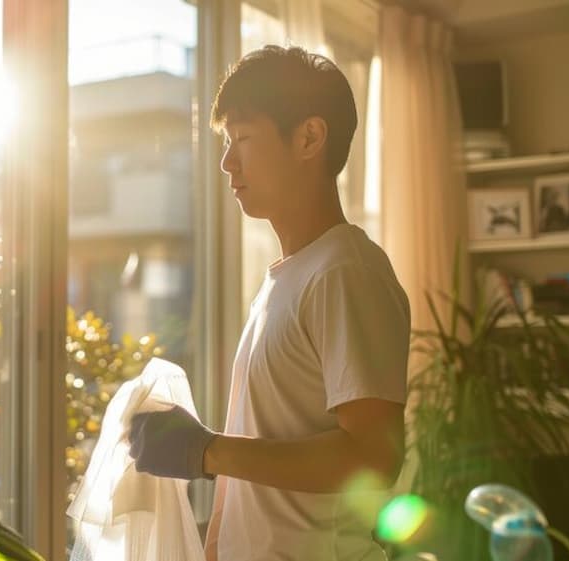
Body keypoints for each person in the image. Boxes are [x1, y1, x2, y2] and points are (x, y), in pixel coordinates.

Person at [127, 45, 411, 561]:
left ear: (309, 138)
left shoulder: (346, 271)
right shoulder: (286, 278)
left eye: (243, 139)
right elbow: (248, 479)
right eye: (227, 141)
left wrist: (203, 451)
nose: (226, 160)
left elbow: (376, 458)